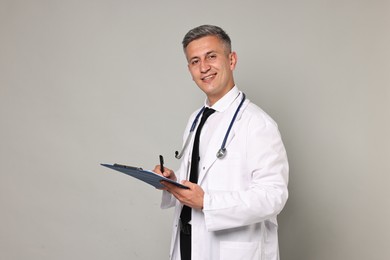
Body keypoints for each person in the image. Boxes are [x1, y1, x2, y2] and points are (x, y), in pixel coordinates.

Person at [153, 25, 289, 260]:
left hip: (232, 250)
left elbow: (273, 196)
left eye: (211, 56)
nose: (204, 67)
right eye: (195, 61)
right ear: (189, 69)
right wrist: (173, 180)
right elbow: (199, 175)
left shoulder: (258, 123)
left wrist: (207, 202)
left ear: (232, 59)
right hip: (189, 243)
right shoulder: (196, 118)